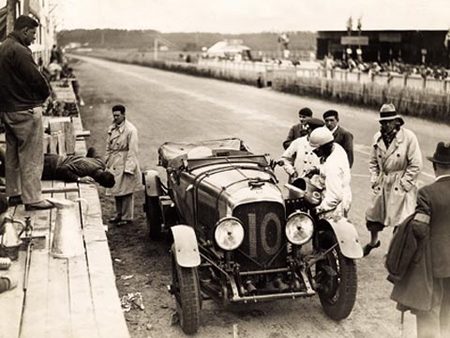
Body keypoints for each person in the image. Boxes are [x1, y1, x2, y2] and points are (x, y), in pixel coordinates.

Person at [390, 142, 450, 337]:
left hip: (434, 264)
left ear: (435, 167)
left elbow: (419, 227)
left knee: (429, 312)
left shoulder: (427, 193)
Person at [0, 15, 54, 211]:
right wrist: (44, 94)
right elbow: (37, 80)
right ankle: (32, 199)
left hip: (8, 111)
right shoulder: (21, 51)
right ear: (24, 31)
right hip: (25, 110)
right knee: (31, 155)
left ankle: (14, 194)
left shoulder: (3, 47)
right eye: (32, 34)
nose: (33, 38)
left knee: (12, 155)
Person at [363, 103, 422, 256]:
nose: (386, 125)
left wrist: (404, 184)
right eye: (383, 122)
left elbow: (416, 164)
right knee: (373, 216)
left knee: (399, 221)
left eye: (389, 121)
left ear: (397, 121)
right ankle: (373, 242)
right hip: (383, 181)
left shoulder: (408, 137)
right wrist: (375, 179)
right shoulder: (377, 138)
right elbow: (373, 162)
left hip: (400, 181)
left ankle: (393, 251)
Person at [105, 105, 142, 227]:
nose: (115, 118)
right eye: (114, 115)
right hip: (115, 162)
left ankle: (127, 217)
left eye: (118, 115)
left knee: (126, 191)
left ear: (124, 115)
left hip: (125, 161)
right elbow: (108, 146)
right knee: (116, 189)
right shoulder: (112, 128)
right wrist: (107, 161)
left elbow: (133, 150)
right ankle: (119, 214)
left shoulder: (131, 130)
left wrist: (129, 168)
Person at [308, 127, 352, 217]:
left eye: (316, 149)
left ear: (325, 147)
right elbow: (326, 167)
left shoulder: (333, 166)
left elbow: (335, 197)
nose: (314, 152)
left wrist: (318, 209)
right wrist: (318, 169)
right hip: (341, 193)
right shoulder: (336, 147)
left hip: (334, 207)